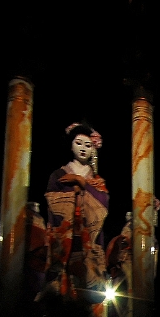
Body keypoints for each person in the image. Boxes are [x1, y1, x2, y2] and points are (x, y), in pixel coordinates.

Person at [39, 123, 114, 304]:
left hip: (88, 237)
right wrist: (75, 195)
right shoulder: (58, 174)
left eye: (88, 145)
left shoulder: (96, 180)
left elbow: (103, 204)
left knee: (87, 292)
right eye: (78, 143)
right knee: (60, 292)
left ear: (92, 150)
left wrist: (82, 182)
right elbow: (52, 201)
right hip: (64, 236)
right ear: (71, 145)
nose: (83, 148)